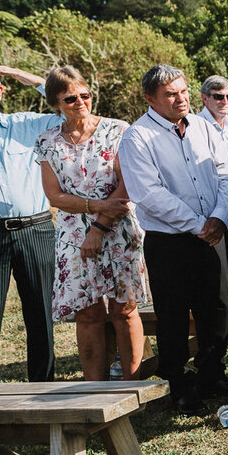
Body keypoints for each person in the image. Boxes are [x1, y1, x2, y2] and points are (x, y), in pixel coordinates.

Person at [119, 64, 228, 415]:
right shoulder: (137, 136)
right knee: (173, 315)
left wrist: (221, 216)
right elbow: (149, 194)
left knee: (217, 308)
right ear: (149, 98)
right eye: (171, 95)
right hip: (170, 240)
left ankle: (211, 374)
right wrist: (197, 224)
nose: (181, 99)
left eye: (184, 91)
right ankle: (177, 384)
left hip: (213, 232)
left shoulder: (203, 126)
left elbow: (225, 172)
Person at [35, 66, 148, 380]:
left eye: (85, 95)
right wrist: (98, 205)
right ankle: (94, 389)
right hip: (73, 235)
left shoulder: (118, 130)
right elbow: (54, 195)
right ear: (55, 103)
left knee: (124, 309)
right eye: (71, 98)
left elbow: (128, 183)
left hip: (119, 229)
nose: (80, 102)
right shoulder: (47, 141)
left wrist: (99, 225)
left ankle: (132, 386)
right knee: (87, 313)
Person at [0, 63, 60, 383]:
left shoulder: (28, 124)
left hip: (35, 229)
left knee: (41, 315)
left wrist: (25, 76)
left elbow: (68, 107)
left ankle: (45, 390)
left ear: (1, 92)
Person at [198, 75, 228, 299]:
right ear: (205, 98)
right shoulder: (196, 126)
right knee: (215, 261)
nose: (225, 101)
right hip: (209, 204)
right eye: (218, 96)